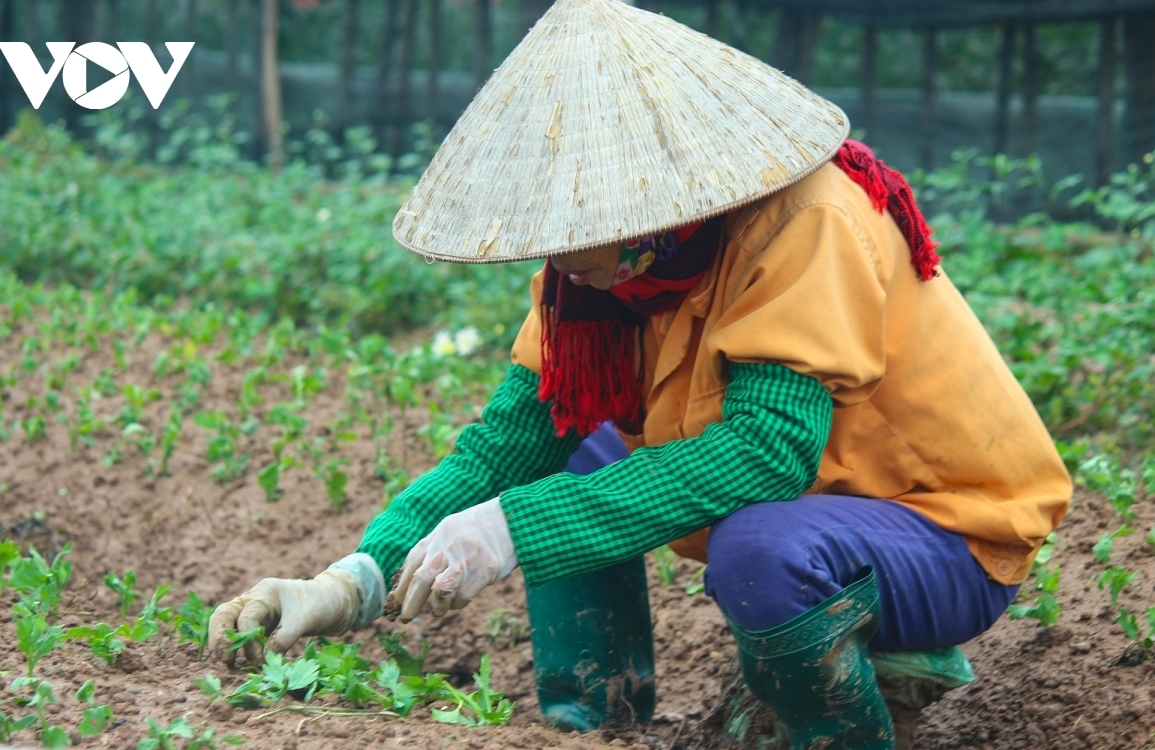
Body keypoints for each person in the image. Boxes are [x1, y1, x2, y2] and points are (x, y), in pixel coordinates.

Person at [208, 1, 1071, 747]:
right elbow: (504, 452)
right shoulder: (597, 279)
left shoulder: (809, 222)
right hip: (820, 516)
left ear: (643, 205)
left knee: (758, 552)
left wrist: (510, 531)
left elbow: (769, 453)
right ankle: (595, 726)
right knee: (579, 454)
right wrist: (348, 582)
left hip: (941, 530)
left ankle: (852, 722)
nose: (550, 253)